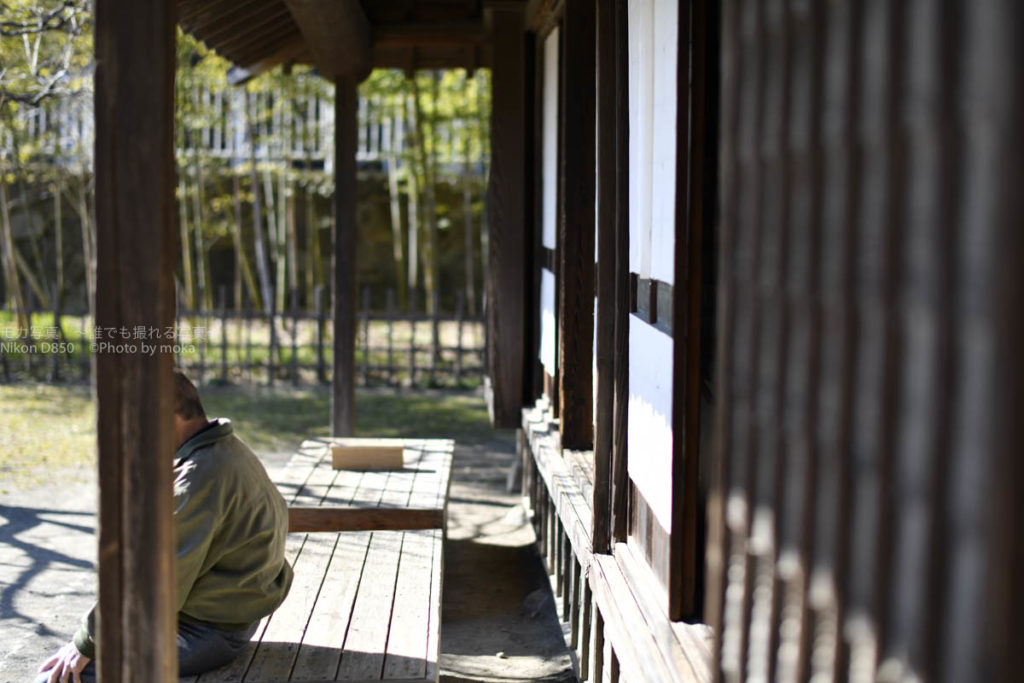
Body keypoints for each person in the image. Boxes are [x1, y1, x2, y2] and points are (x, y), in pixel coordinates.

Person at [36, 370, 294, 683]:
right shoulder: (225, 449)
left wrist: (87, 640)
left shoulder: (200, 476)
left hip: (208, 630)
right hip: (229, 611)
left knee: (62, 677)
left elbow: (152, 585)